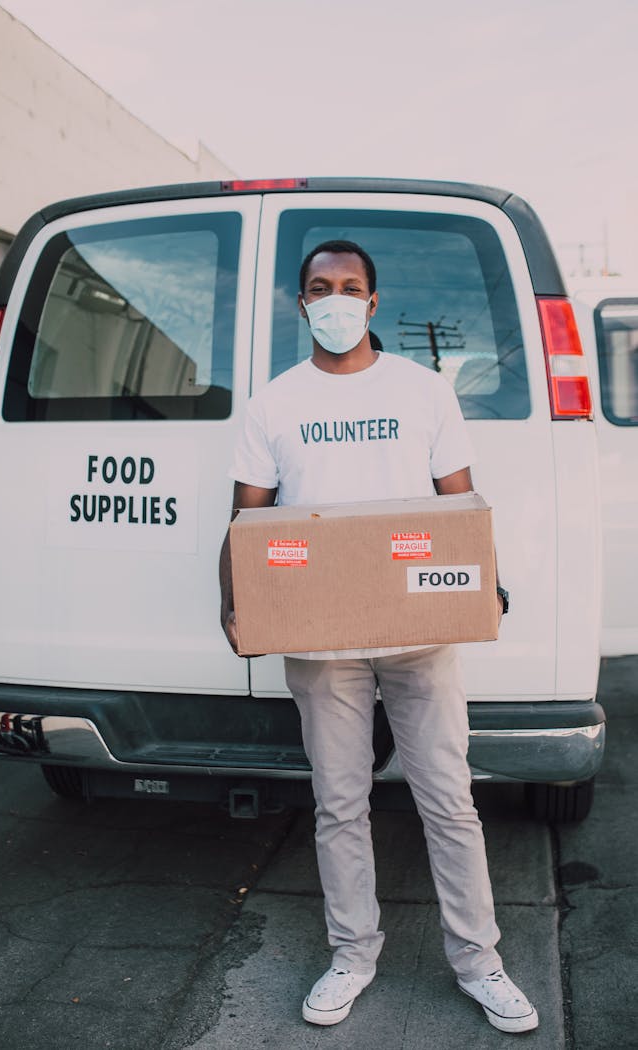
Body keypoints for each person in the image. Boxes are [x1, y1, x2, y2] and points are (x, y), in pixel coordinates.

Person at [218, 240, 538, 1034]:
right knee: (339, 804)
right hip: (321, 643)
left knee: (449, 801)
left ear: (371, 300)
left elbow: (463, 506)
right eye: (319, 288)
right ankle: (352, 955)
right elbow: (246, 520)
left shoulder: (423, 391)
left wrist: (483, 586)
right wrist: (234, 605)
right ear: (303, 306)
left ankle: (480, 961)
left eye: (349, 287)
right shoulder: (274, 404)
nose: (335, 299)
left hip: (418, 630)